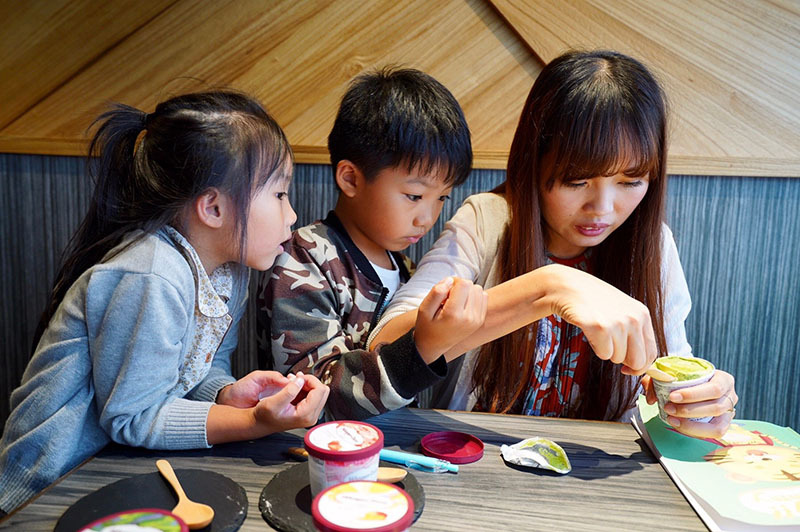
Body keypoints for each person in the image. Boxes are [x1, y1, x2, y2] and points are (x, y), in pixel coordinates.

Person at [370, 50, 738, 439]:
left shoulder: (653, 246)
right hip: (477, 462)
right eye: (576, 181)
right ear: (535, 163)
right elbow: (383, 349)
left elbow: (671, 374)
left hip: (600, 476)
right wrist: (548, 288)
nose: (603, 208)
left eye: (631, 182)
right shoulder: (488, 220)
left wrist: (701, 405)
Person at [0, 91, 329, 516]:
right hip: (45, 490)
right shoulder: (151, 275)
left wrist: (227, 393)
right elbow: (133, 417)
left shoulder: (229, 272)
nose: (292, 216)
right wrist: (254, 422)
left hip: (112, 473)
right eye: (280, 194)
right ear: (213, 207)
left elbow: (192, 373)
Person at [256, 67, 486, 420]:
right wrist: (421, 346)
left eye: (442, 198)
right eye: (414, 195)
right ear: (351, 178)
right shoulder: (303, 260)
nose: (428, 217)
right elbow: (315, 398)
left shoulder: (407, 269)